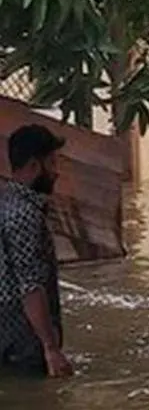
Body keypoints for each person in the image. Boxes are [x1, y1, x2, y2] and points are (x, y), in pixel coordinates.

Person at [0, 124, 73, 377]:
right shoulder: (24, 215)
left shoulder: (6, 201)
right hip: (23, 341)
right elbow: (31, 286)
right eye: (52, 163)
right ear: (34, 166)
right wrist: (50, 348)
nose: (57, 172)